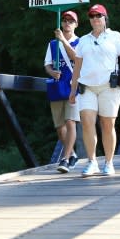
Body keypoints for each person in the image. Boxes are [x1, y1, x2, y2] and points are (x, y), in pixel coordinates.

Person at [69, 4, 120, 177]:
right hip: (87, 87)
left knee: (107, 124)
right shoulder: (83, 40)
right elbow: (77, 65)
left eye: (99, 16)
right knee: (87, 121)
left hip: (109, 87)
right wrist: (72, 88)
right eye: (92, 16)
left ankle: (109, 162)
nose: (95, 19)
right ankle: (92, 162)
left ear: (105, 19)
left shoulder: (115, 36)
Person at [44, 10, 81, 173]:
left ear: (76, 24)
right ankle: (72, 154)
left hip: (74, 86)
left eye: (71, 21)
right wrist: (52, 72)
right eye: (65, 20)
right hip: (58, 87)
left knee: (71, 121)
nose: (67, 23)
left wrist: (63, 41)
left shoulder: (81, 42)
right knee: (60, 126)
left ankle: (65, 159)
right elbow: (47, 64)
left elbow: (76, 58)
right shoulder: (52, 44)